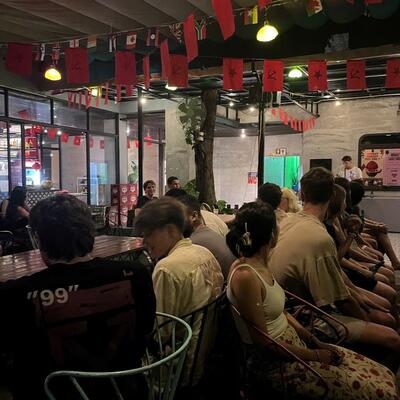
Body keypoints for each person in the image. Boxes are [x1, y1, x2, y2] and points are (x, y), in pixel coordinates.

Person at [226, 201, 398, 399]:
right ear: (272, 233)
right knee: (382, 391)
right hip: (276, 363)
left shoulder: (261, 264)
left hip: (294, 346)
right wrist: (315, 355)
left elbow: (281, 313)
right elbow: (264, 343)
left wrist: (313, 340)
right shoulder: (245, 275)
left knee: (383, 374)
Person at [0, 194, 156, 399]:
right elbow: (146, 329)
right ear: (90, 233)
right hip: (126, 390)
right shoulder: (136, 273)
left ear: (39, 239)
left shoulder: (15, 294)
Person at [268, 167, 400, 354]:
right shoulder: (319, 236)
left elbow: (336, 279)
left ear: (302, 194)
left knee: (380, 311)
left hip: (282, 307)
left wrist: (357, 293)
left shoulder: (286, 221)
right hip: (302, 315)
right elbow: (339, 300)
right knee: (391, 335)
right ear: (332, 196)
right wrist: (366, 320)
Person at [134, 197, 224, 384]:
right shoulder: (203, 252)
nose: (144, 242)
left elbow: (160, 332)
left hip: (178, 365)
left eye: (149, 234)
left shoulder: (167, 268)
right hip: (206, 354)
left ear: (171, 230)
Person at [177, 193, 236, 279]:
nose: (174, 222)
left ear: (194, 216)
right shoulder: (209, 233)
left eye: (178, 217)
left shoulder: (193, 243)